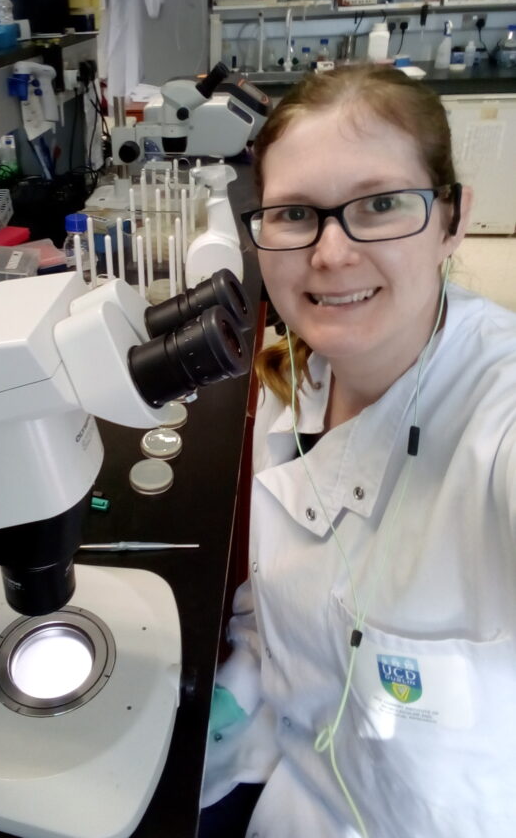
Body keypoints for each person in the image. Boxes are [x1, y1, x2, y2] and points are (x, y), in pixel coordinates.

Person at [199, 64, 516, 837]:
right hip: (289, 800)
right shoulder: (290, 381)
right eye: (295, 214)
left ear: (452, 219)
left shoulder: (495, 409)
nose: (331, 254)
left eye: (379, 205)